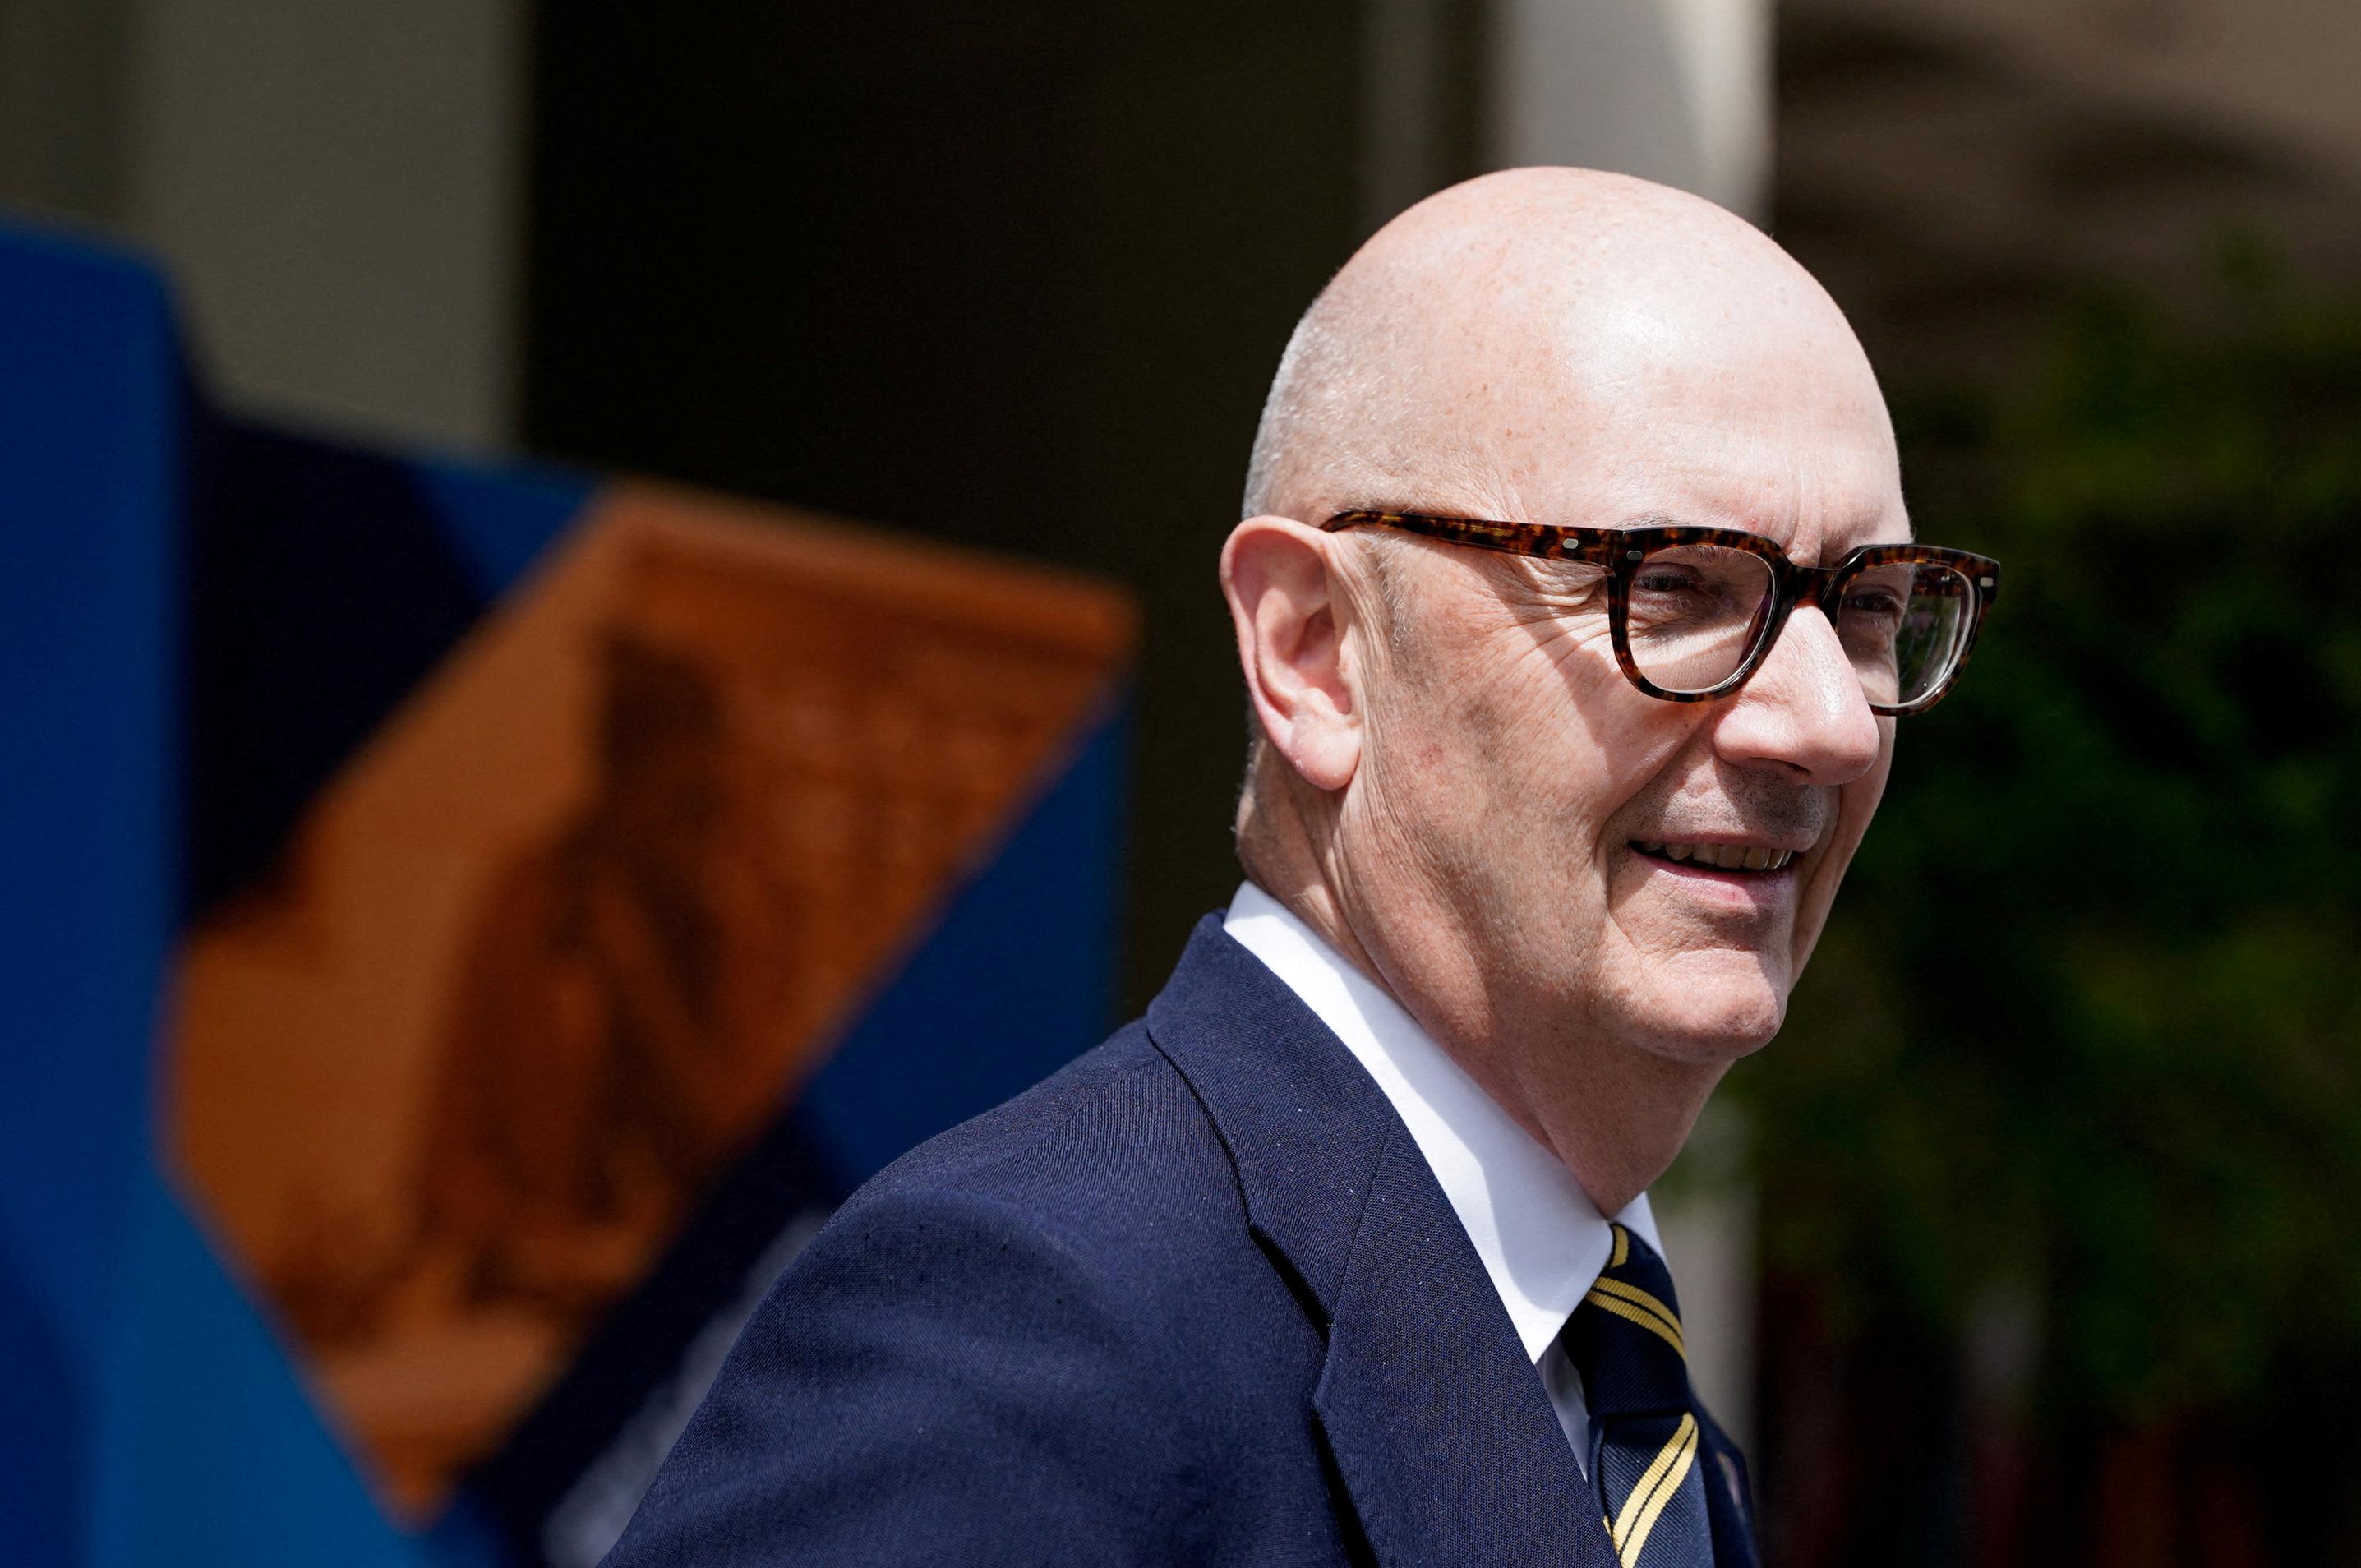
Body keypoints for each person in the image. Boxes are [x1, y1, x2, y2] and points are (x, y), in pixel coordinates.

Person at [606, 167, 1999, 1567]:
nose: (1827, 724)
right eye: (1677, 584)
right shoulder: (1029, 1332)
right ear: (1315, 654)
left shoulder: (1656, 1446)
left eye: (1870, 608)